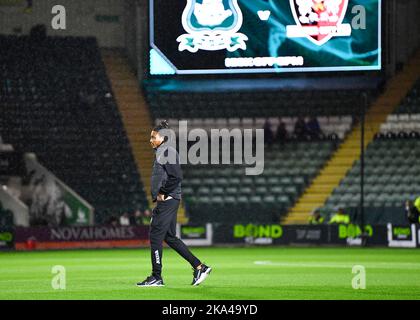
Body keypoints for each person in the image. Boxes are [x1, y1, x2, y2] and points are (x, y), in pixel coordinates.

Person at [137, 120, 211, 287]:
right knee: (169, 237)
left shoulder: (167, 151)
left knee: (155, 236)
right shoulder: (164, 151)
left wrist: (163, 192)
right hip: (170, 200)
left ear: (162, 138)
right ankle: (199, 267)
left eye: (153, 137)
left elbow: (176, 176)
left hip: (168, 200)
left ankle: (157, 276)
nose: (150, 140)